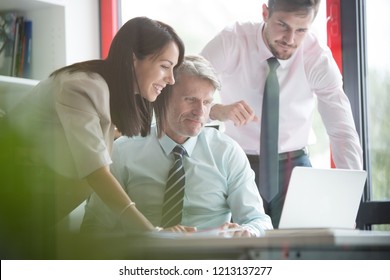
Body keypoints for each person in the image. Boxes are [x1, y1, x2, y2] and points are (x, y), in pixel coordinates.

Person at [1, 16, 189, 258]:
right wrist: (149, 231)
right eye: (165, 66)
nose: (171, 79)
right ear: (133, 58)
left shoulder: (114, 98)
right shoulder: (82, 86)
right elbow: (96, 170)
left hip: (28, 217)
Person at [200, 0, 363, 228]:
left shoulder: (316, 56)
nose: (290, 40)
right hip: (237, 166)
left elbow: (342, 131)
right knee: (239, 250)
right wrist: (218, 110)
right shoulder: (232, 40)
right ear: (265, 13)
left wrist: (350, 199)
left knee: (302, 254)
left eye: (301, 30)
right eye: (283, 25)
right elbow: (183, 95)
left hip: (294, 168)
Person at [81, 55, 273, 237]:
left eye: (207, 102)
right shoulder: (123, 151)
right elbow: (95, 228)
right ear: (162, 97)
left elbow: (258, 220)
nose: (200, 112)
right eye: (190, 100)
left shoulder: (227, 152)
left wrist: (248, 231)